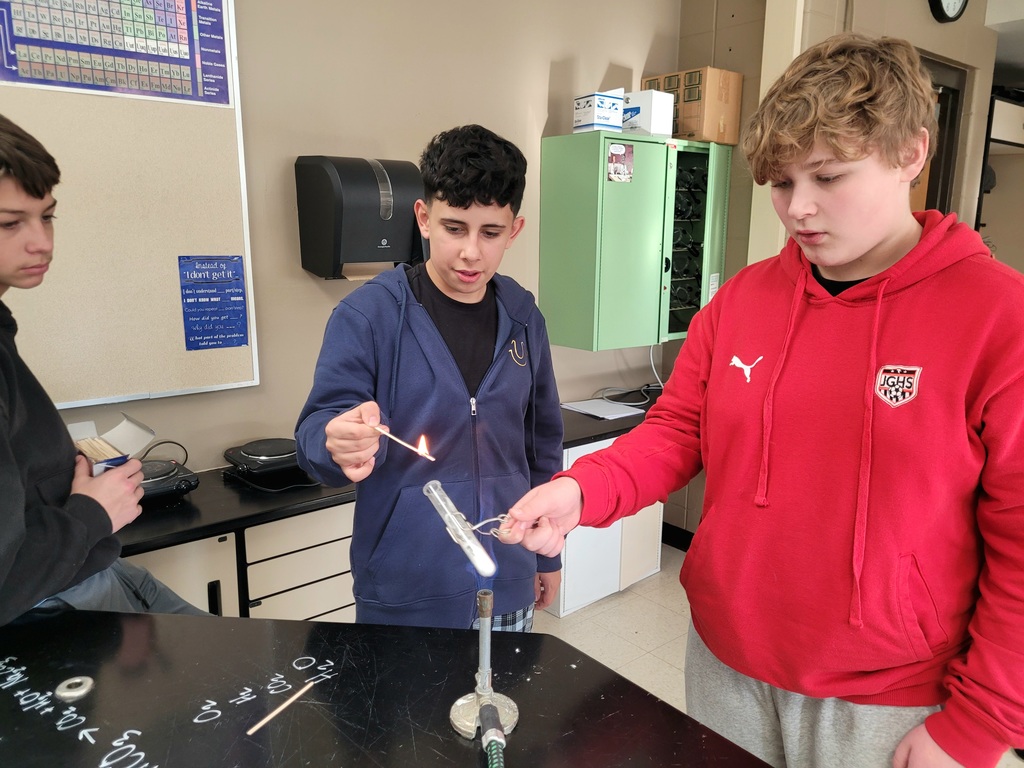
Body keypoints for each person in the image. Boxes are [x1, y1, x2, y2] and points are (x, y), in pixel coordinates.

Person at [499, 34, 1024, 768]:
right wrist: (582, 491)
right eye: (781, 182)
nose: (798, 209)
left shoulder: (998, 318)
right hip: (726, 661)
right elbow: (678, 428)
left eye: (828, 176)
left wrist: (978, 725)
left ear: (911, 153)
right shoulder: (744, 299)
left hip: (892, 697)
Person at [295, 124, 562, 631]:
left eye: (491, 233)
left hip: (507, 578)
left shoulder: (524, 318)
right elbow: (316, 430)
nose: (471, 252)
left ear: (515, 230)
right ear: (423, 218)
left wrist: (547, 555)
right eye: (454, 228)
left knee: (502, 687)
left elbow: (542, 445)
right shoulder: (368, 316)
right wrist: (334, 441)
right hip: (405, 592)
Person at [0, 113, 204, 626]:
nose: (42, 242)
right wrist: (93, 513)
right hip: (53, 601)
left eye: (47, 217)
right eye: (9, 224)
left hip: (90, 569)